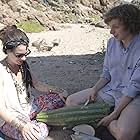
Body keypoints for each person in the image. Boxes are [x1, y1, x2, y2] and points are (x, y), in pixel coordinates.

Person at [66, 4, 140, 140]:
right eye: (110, 27)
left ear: (130, 25)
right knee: (71, 102)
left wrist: (113, 115)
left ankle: (108, 121)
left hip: (134, 97)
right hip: (111, 90)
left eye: (116, 27)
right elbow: (106, 73)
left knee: (125, 135)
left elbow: (134, 87)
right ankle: (104, 119)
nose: (111, 32)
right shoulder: (112, 43)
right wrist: (94, 89)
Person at [0, 25, 67, 140]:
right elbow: (2, 110)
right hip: (12, 117)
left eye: (26, 54)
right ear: (7, 51)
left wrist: (57, 90)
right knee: (36, 135)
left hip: (30, 107)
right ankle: (44, 123)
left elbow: (37, 85)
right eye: (19, 55)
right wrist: (22, 127)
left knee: (60, 98)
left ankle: (40, 121)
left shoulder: (23, 65)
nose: (24, 58)